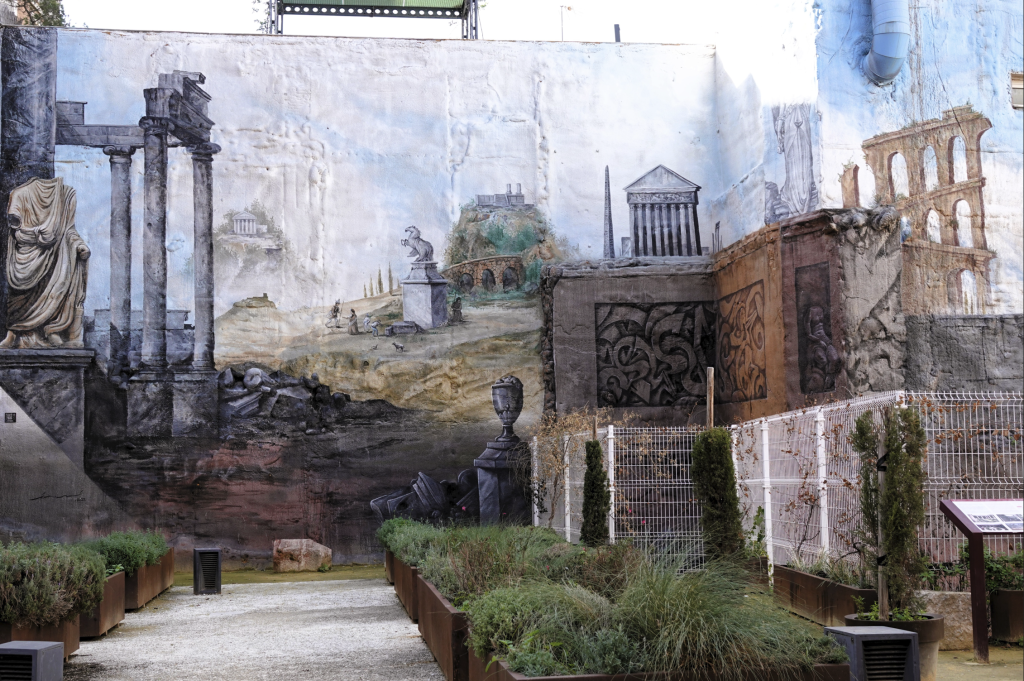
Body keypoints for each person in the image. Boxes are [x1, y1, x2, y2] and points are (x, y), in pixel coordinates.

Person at [1, 177, 89, 348]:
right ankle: (15, 332)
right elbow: (15, 227)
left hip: (55, 255)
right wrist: (35, 234)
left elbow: (68, 231)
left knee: (58, 282)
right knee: (18, 295)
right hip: (24, 256)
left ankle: (52, 328)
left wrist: (79, 245)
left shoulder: (65, 195)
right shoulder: (19, 194)